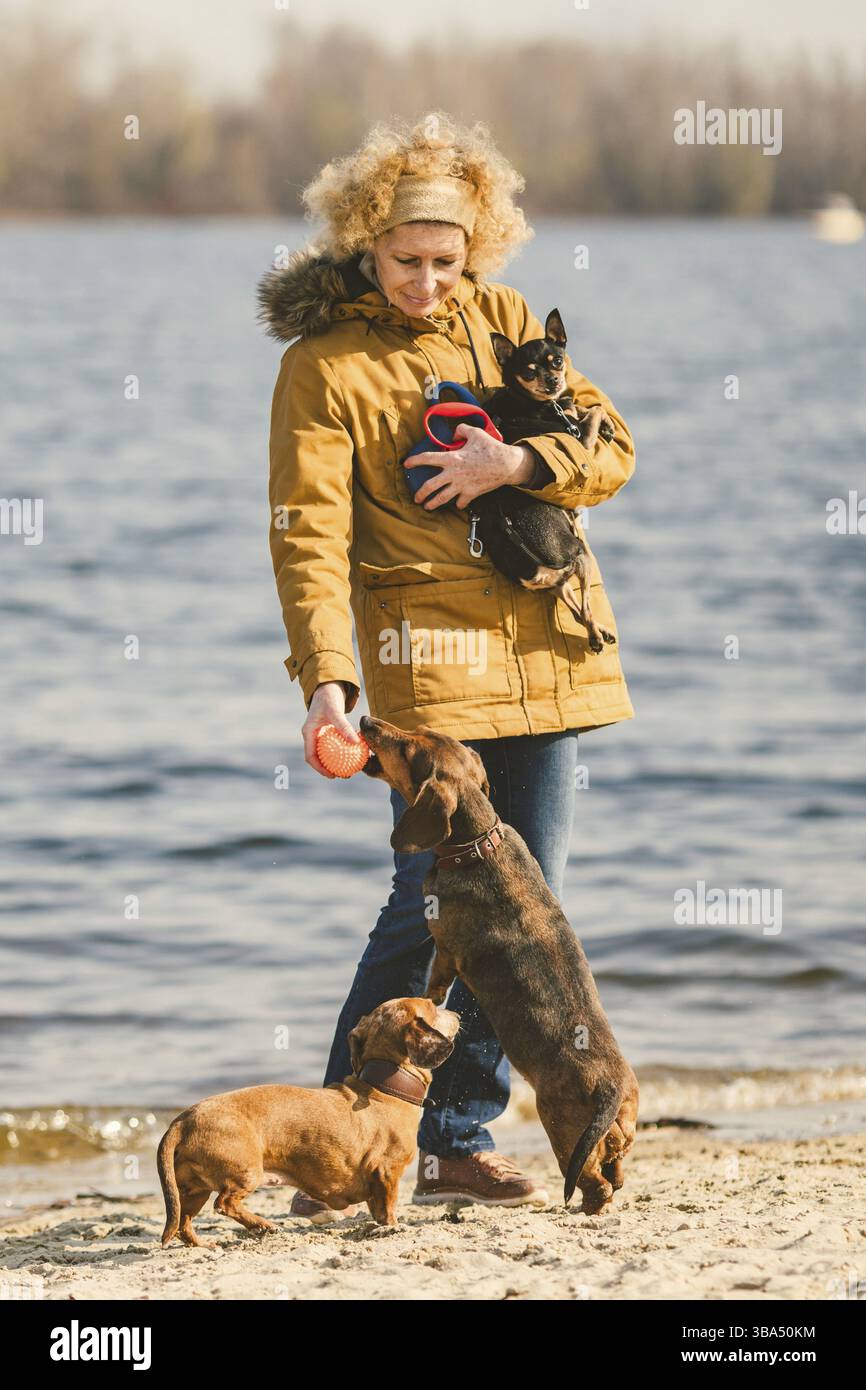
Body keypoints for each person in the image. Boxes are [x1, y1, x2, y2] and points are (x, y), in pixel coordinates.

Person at [259, 112, 635, 1216]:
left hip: (550, 647)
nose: (428, 283)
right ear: (363, 245)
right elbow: (306, 536)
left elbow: (610, 447)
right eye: (405, 260)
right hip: (428, 670)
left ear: (478, 252)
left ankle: (446, 1140)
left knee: (528, 905)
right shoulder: (321, 367)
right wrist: (326, 683)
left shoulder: (508, 320)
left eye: (447, 262)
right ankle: (334, 1141)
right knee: (425, 907)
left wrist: (510, 457)